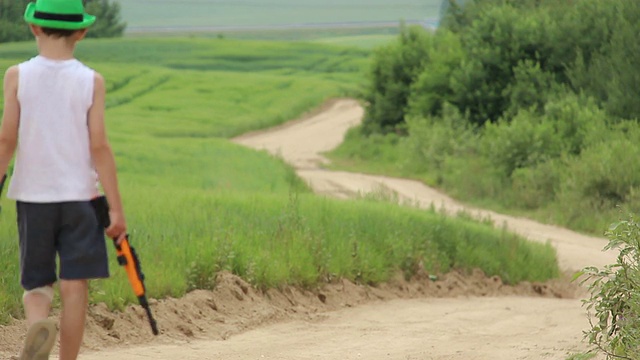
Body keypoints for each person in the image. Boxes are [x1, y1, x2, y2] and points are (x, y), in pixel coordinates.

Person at [0, 0, 127, 359]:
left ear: (33, 27)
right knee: (75, 286)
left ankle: (38, 327)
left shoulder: (16, 76)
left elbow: (6, 140)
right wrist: (116, 210)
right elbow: (99, 146)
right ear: (82, 32)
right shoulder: (91, 81)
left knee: (37, 284)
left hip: (32, 197)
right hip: (81, 199)